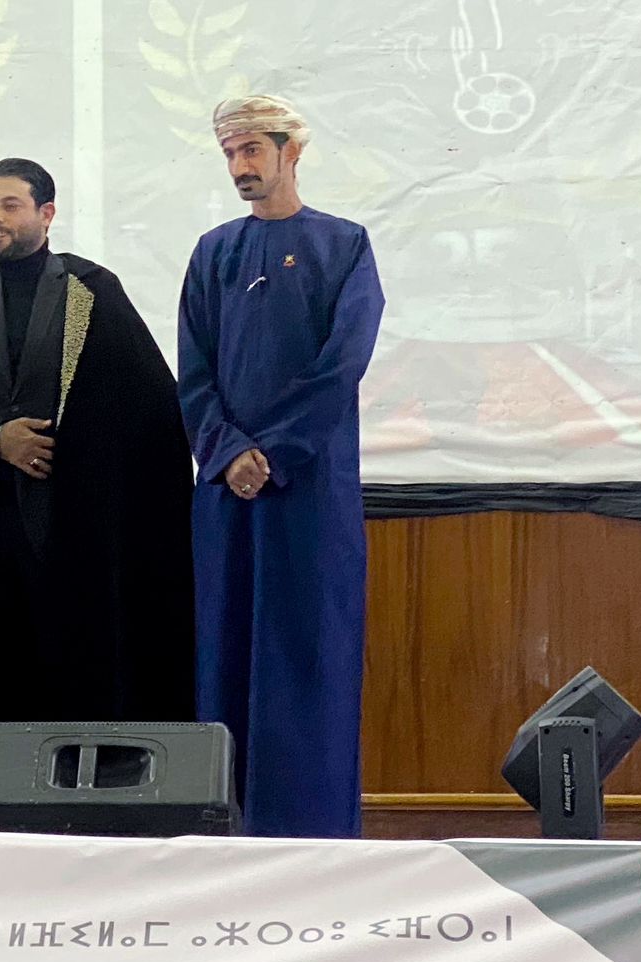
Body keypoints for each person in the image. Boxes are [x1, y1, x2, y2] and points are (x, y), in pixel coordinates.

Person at [0, 158, 195, 798]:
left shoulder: (93, 292)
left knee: (75, 657)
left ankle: (85, 792)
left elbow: (142, 410)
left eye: (10, 205)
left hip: (74, 530)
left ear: (46, 214)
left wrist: (60, 447)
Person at [178, 96, 385, 838]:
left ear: (291, 151)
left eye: (252, 151)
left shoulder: (344, 246)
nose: (240, 166)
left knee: (308, 657)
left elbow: (342, 367)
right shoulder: (214, 253)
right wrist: (228, 452)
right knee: (225, 651)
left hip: (309, 493)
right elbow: (193, 371)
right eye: (230, 154)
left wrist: (275, 454)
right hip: (227, 494)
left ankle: (313, 834)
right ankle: (225, 833)